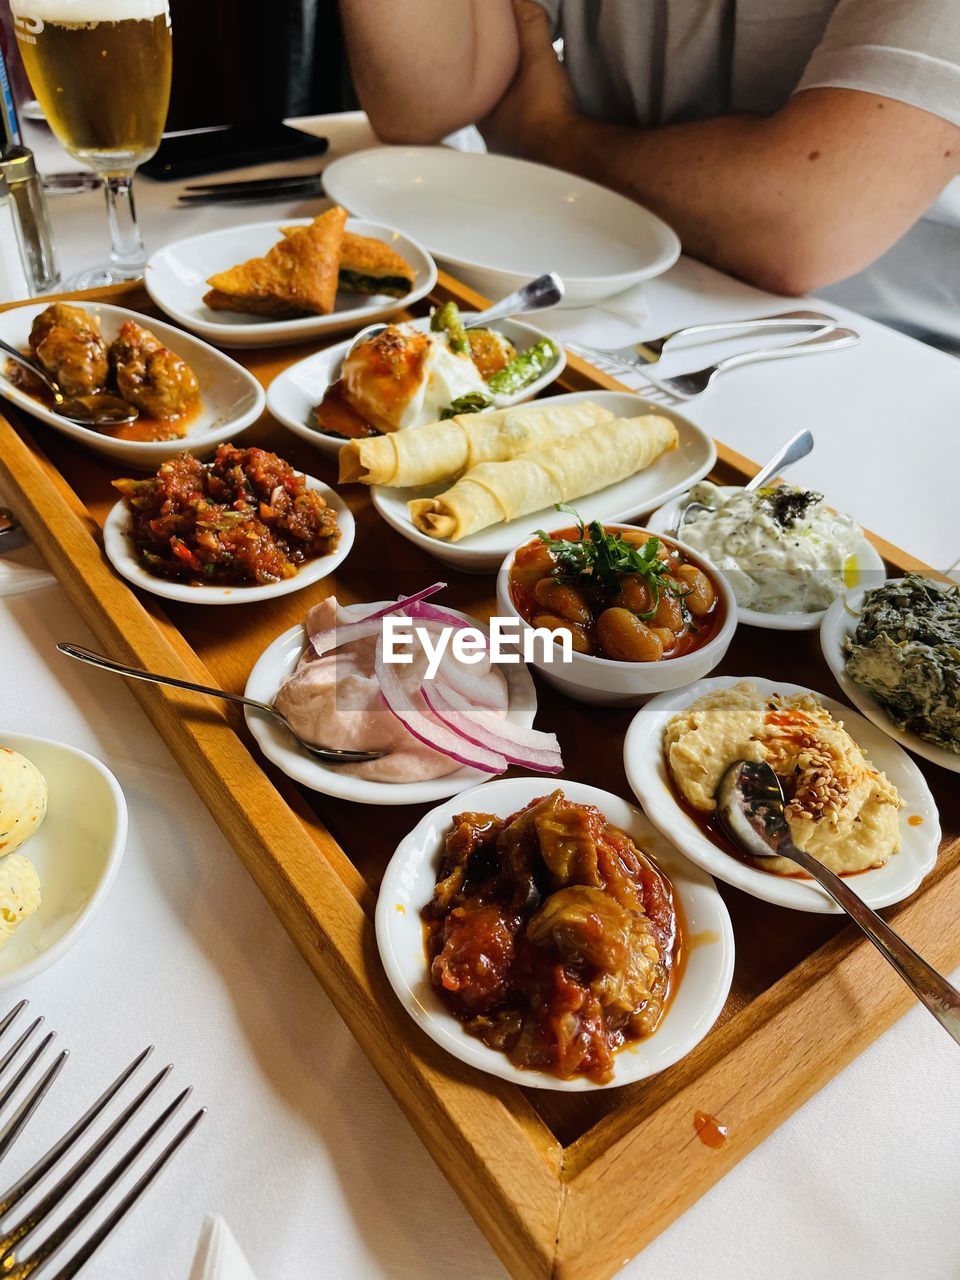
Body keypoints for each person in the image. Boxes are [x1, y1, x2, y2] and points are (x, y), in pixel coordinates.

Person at [339, 0, 960, 347]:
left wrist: (548, 137)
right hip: (590, 301)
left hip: (874, 353)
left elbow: (809, 224)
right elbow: (430, 101)